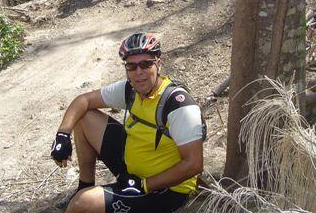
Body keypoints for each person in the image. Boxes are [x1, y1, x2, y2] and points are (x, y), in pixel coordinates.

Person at [51, 33, 204, 213]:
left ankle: (83, 198)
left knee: (82, 204)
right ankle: (84, 186)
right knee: (84, 117)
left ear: (158, 63)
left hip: (166, 190)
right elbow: (83, 100)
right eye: (131, 66)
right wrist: (63, 134)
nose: (139, 72)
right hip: (132, 169)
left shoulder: (177, 104)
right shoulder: (130, 89)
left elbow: (193, 164)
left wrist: (144, 185)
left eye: (146, 64)